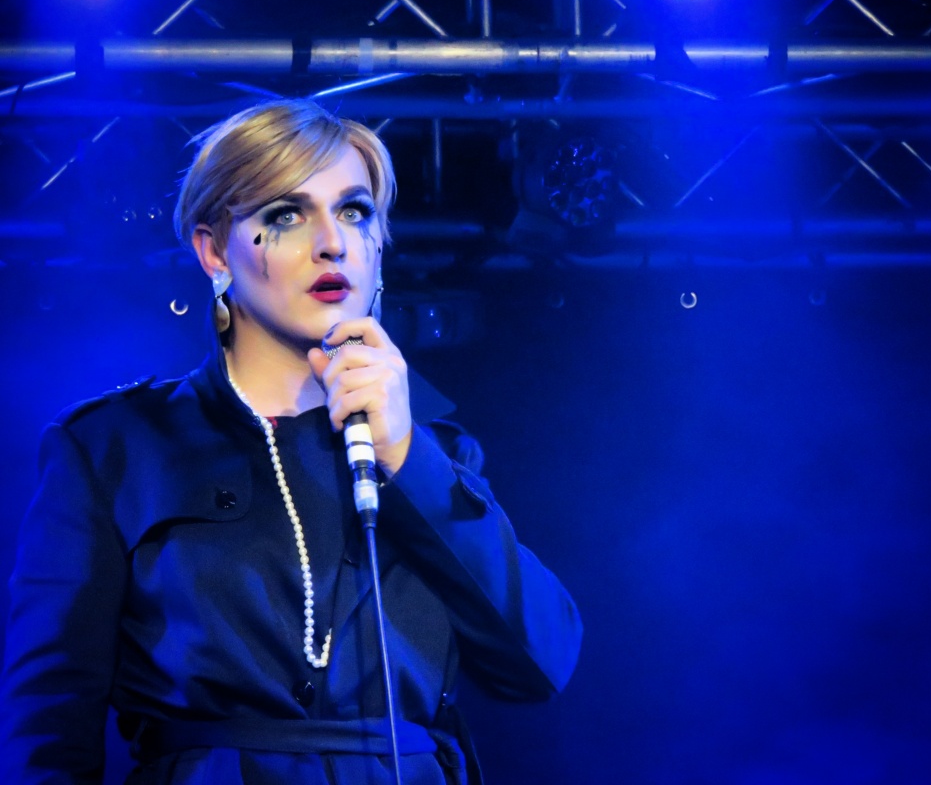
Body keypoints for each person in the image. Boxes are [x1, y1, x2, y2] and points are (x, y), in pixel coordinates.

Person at [0, 99, 582, 784]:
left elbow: (541, 663)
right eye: (286, 215)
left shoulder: (438, 456)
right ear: (214, 251)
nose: (332, 242)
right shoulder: (114, 448)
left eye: (355, 212)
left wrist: (405, 456)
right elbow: (46, 722)